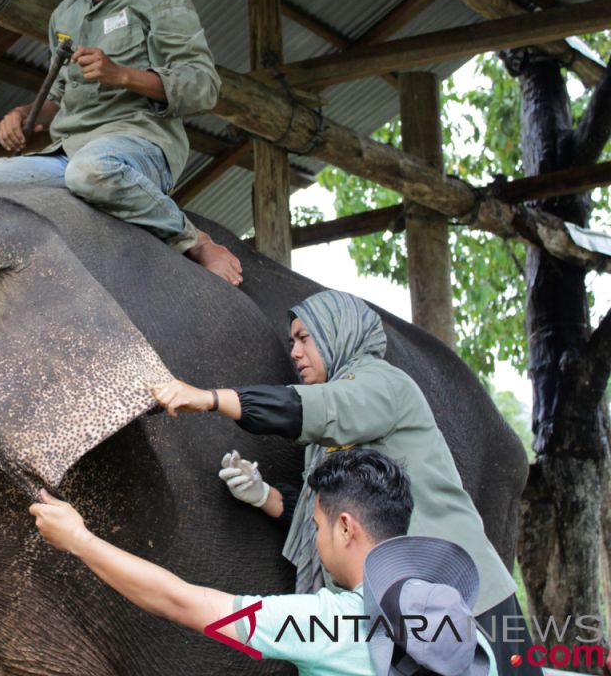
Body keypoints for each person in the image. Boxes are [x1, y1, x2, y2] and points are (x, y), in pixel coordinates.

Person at [148, 289, 539, 676]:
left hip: (466, 599)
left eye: (305, 338)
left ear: (340, 331)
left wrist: (210, 398)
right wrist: (262, 495)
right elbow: (332, 517)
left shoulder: (382, 384)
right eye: (291, 342)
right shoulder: (326, 440)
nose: (295, 353)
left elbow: (317, 409)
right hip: (400, 607)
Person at [0, 0, 242, 286]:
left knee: (89, 172)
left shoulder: (164, 2)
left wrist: (122, 74)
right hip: (65, 154)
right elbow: (58, 97)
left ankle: (192, 239)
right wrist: (25, 116)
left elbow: (204, 87)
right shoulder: (66, 14)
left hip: (137, 146)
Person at [31, 448, 496, 676]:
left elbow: (182, 603)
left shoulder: (330, 624)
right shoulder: (461, 624)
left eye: (315, 526)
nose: (315, 541)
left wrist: (79, 540)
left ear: (347, 527)